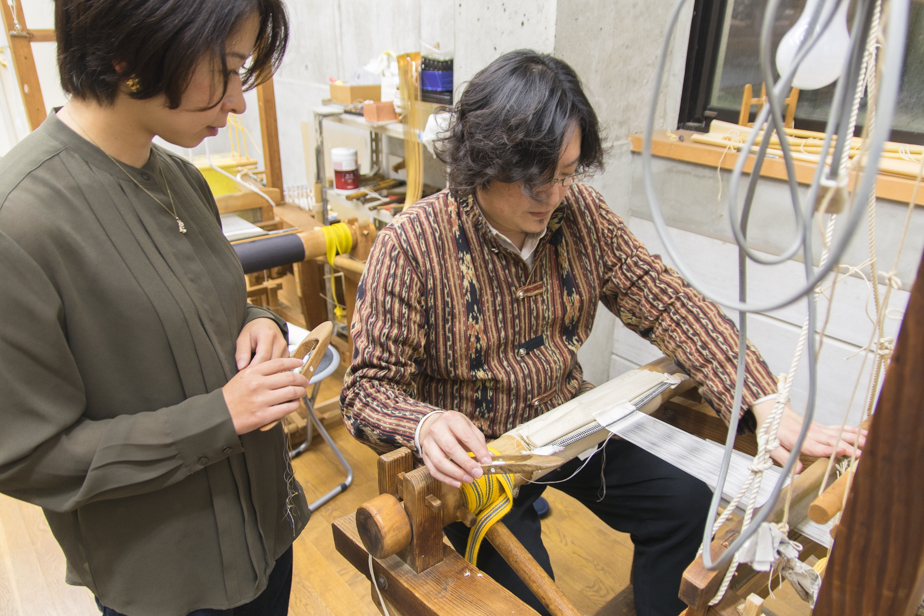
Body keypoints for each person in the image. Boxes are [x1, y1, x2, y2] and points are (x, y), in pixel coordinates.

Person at [340, 50, 864, 616]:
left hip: (568, 424)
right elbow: (364, 390)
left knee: (688, 505)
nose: (555, 196)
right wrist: (426, 424)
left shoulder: (580, 215)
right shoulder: (412, 246)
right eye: (536, 181)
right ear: (482, 162)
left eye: (566, 175)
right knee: (523, 598)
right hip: (481, 463)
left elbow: (667, 302)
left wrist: (765, 399)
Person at [0, 1, 309, 615]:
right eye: (225, 69)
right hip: (166, 580)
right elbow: (30, 457)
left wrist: (261, 328)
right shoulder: (20, 222)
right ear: (130, 49)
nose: (238, 101)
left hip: (266, 533)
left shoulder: (180, 178)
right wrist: (219, 417)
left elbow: (209, 312)